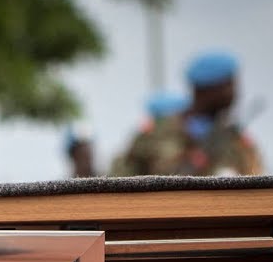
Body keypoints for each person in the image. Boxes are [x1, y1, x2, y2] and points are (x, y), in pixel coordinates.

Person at [110, 50, 263, 177]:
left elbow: (256, 177)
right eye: (228, 86)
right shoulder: (158, 132)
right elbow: (123, 175)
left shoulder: (234, 137)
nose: (234, 93)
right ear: (207, 90)